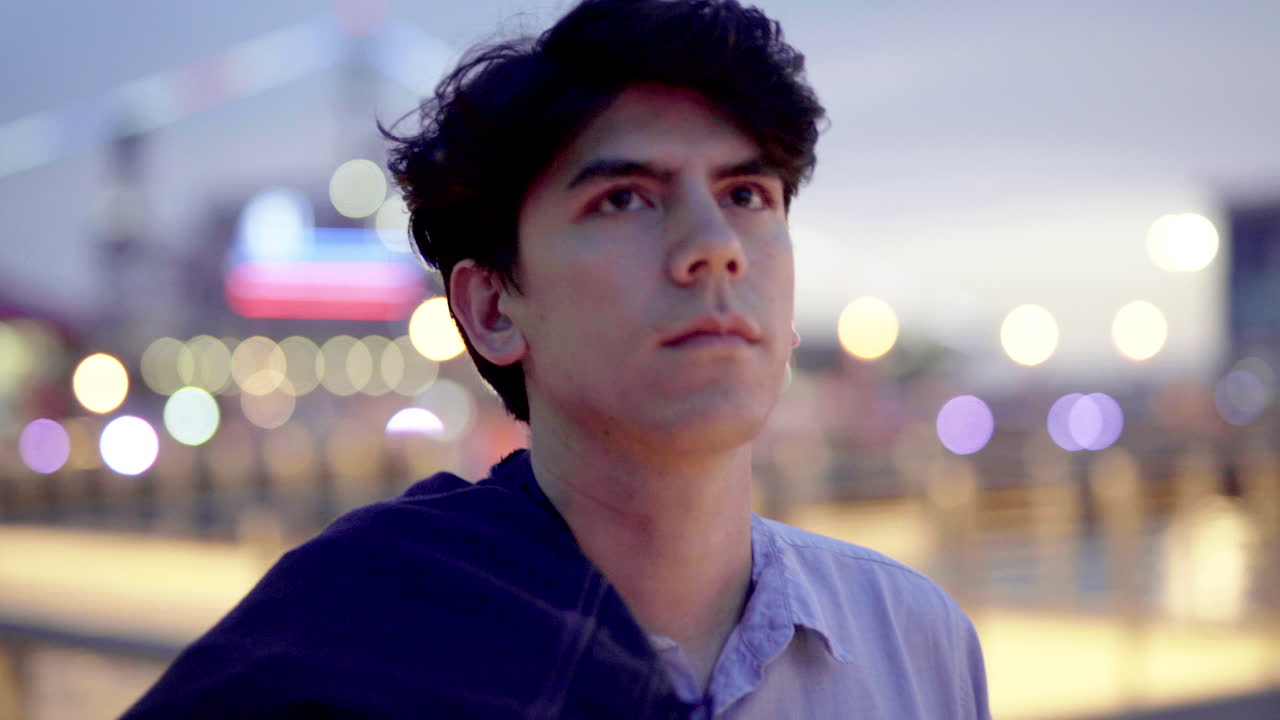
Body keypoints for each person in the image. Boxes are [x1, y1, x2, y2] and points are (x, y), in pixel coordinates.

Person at [124, 0, 989, 717]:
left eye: (746, 194)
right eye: (624, 199)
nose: (716, 246)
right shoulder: (342, 647)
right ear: (493, 308)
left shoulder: (916, 643)